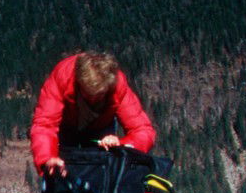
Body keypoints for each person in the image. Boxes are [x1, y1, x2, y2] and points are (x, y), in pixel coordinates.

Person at [28, 51, 157, 177]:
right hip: (65, 130)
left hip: (101, 135)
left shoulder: (117, 86)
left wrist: (121, 146)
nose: (93, 100)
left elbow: (143, 131)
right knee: (58, 176)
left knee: (102, 180)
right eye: (88, 94)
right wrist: (47, 159)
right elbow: (44, 124)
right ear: (79, 83)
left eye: (99, 95)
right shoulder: (63, 77)